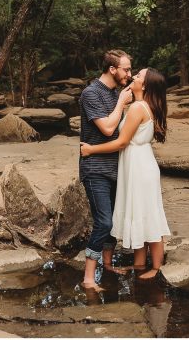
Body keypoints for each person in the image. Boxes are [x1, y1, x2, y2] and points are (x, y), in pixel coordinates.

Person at [81, 67, 170, 280]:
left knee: (149, 215)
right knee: (140, 212)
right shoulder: (140, 105)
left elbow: (121, 142)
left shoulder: (139, 108)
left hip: (139, 166)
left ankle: (155, 267)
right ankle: (139, 263)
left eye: (138, 76)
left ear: (145, 85)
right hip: (139, 163)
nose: (133, 77)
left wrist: (91, 150)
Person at [78, 49, 135, 290]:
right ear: (112, 69)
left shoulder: (114, 92)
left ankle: (108, 265)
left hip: (115, 167)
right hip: (95, 169)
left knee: (114, 219)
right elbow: (108, 129)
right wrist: (122, 102)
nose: (129, 74)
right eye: (126, 69)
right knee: (103, 221)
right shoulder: (91, 93)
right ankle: (88, 278)